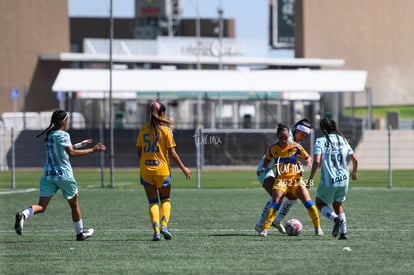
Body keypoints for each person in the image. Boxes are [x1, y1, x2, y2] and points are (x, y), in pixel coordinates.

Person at [14, 110, 106, 241]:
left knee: (42, 206)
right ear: (64, 121)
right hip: (63, 175)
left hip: (48, 175)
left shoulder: (50, 134)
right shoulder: (64, 134)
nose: (68, 122)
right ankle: (80, 233)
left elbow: (64, 148)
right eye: (67, 120)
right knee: (74, 205)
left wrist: (80, 144)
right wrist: (93, 150)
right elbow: (71, 153)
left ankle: (23, 215)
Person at [136, 101, 192, 241]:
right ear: (162, 114)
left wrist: (147, 161)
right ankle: (164, 226)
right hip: (162, 171)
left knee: (153, 202)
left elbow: (139, 151)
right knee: (165, 199)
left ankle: (156, 231)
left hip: (146, 170)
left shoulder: (143, 129)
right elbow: (172, 153)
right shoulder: (166, 131)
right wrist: (183, 168)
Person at [258, 124, 323, 237]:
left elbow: (307, 156)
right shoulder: (273, 148)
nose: (284, 140)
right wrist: (263, 168)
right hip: (281, 180)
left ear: (289, 136)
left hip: (295, 180)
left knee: (309, 203)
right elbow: (267, 159)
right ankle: (265, 229)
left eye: (286, 137)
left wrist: (308, 162)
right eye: (281, 138)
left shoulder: (295, 146)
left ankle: (318, 228)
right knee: (275, 203)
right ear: (277, 136)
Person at [308, 117, 358, 240]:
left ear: (322, 129)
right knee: (338, 203)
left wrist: (310, 179)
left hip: (329, 180)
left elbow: (317, 161)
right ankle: (343, 233)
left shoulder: (320, 141)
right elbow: (355, 159)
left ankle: (335, 219)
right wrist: (354, 173)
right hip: (344, 178)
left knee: (319, 203)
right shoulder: (343, 140)